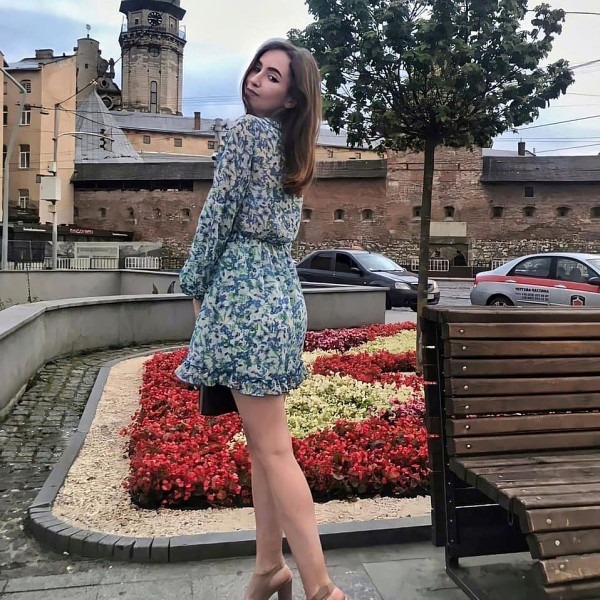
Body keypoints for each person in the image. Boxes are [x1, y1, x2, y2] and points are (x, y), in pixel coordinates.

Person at [175, 40, 349, 600]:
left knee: (273, 450)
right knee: (263, 449)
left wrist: (193, 286)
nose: (255, 79)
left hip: (243, 300)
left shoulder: (247, 133)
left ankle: (321, 587)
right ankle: (269, 568)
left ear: (292, 97)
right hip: (279, 295)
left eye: (273, 76)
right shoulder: (294, 149)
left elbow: (216, 216)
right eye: (257, 68)